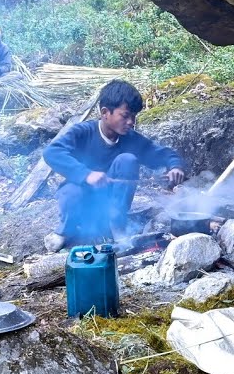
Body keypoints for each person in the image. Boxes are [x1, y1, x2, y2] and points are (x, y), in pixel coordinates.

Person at [41, 79, 185, 251]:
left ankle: (117, 225)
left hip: (111, 204)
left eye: (134, 116)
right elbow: (51, 152)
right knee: (71, 190)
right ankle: (66, 230)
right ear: (105, 112)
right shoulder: (82, 132)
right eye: (125, 116)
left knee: (128, 160)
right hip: (82, 198)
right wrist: (86, 174)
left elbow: (163, 154)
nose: (131, 122)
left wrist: (175, 166)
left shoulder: (130, 139)